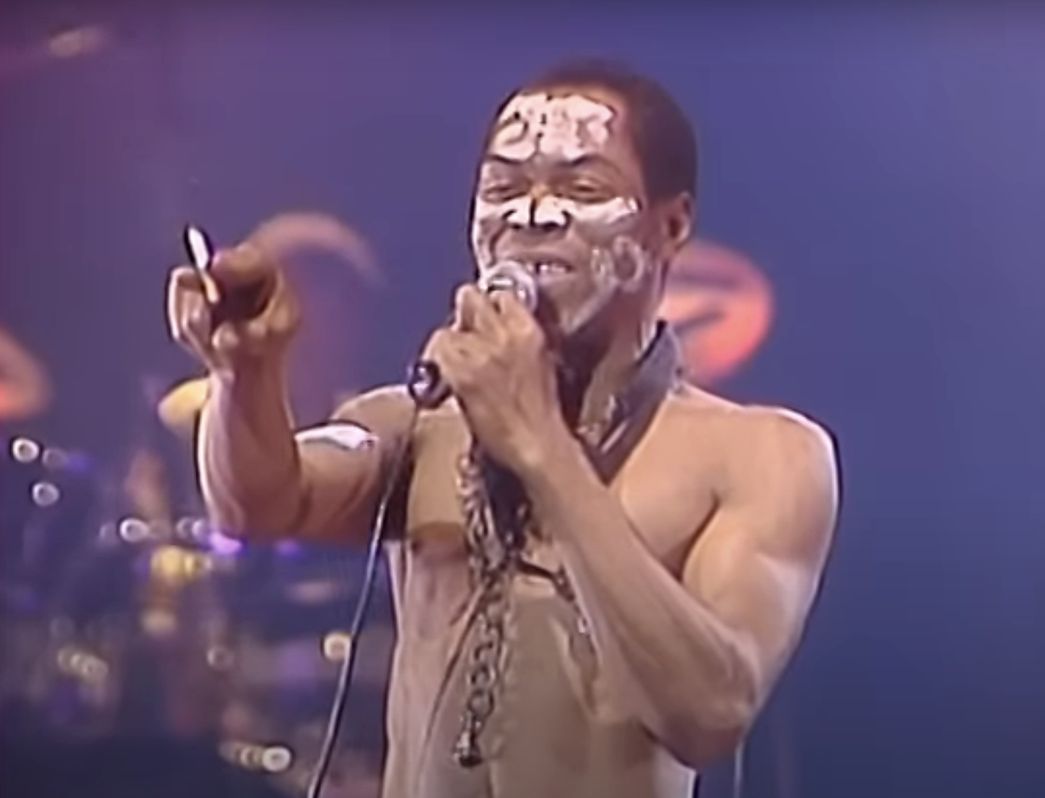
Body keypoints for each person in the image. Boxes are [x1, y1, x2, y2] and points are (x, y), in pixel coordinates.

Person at [165, 60, 839, 798]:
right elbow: (257, 505)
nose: (531, 218)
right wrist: (247, 374)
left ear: (670, 224)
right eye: (504, 189)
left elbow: (710, 711)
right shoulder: (419, 422)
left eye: (581, 190)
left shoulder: (759, 453)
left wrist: (541, 446)